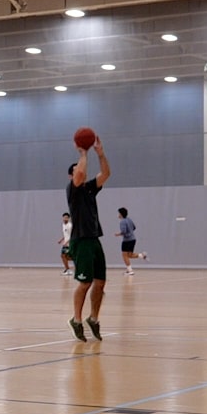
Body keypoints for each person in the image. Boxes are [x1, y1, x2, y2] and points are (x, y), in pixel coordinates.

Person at [66, 137, 112, 339]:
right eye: (77, 170)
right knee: (85, 283)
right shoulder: (73, 189)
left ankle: (93, 318)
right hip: (81, 240)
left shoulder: (90, 188)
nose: (81, 171)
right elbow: (81, 173)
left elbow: (106, 174)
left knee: (100, 282)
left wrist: (100, 153)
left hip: (94, 239)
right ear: (71, 175)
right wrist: (83, 154)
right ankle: (76, 320)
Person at [116, 208, 147, 275]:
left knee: (124, 255)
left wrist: (118, 234)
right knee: (129, 255)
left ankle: (130, 271)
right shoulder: (129, 219)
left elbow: (124, 231)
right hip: (133, 239)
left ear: (121, 214)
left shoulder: (122, 222)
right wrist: (130, 232)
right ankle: (141, 255)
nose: (118, 215)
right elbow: (134, 227)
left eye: (119, 213)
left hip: (127, 240)